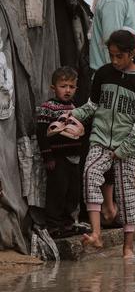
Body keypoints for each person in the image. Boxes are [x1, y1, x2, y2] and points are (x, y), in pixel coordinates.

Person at [72, 29, 135, 258]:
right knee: (90, 173)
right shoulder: (103, 74)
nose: (115, 61)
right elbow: (92, 105)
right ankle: (97, 234)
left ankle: (128, 247)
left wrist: (125, 150)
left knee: (126, 192)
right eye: (112, 56)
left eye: (120, 56)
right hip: (100, 140)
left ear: (132, 53)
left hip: (126, 146)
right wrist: (72, 116)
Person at [37, 67, 88, 236]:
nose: (67, 90)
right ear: (53, 88)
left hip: (74, 158)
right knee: (57, 191)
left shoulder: (75, 108)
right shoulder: (48, 107)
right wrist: (48, 156)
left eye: (71, 87)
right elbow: (41, 133)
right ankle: (53, 226)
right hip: (57, 158)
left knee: (72, 192)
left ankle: (68, 224)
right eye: (63, 86)